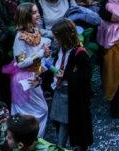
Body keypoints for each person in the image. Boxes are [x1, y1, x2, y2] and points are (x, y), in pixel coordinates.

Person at [49, 19, 93, 149]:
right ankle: (65, 145)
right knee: (61, 122)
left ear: (64, 37)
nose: (55, 40)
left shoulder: (80, 54)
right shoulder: (61, 50)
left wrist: (66, 75)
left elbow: (85, 76)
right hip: (60, 91)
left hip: (72, 96)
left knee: (71, 123)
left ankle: (65, 146)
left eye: (57, 37)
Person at [8, 3, 50, 137]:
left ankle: (32, 140)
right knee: (35, 112)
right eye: (33, 13)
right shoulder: (20, 38)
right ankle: (29, 140)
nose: (37, 15)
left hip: (34, 76)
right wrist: (41, 53)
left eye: (37, 11)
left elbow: (41, 41)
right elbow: (20, 63)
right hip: (24, 79)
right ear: (26, 16)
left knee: (40, 110)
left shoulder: (35, 29)